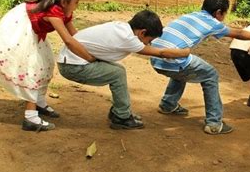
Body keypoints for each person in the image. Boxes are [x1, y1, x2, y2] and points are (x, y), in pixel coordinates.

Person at [0, 0, 95, 132]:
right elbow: (68, 41)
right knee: (32, 69)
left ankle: (39, 101)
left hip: (35, 31)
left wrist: (94, 49)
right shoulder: (53, 12)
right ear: (63, 2)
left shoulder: (65, 13)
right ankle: (30, 118)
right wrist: (90, 58)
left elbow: (75, 36)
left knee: (46, 63)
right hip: (21, 27)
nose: (77, 6)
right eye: (76, 2)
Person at [151, 0, 250, 135]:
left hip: (155, 56)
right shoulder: (212, 22)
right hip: (172, 59)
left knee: (185, 67)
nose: (223, 18)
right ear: (218, 12)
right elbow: (239, 34)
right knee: (210, 74)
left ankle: (168, 104)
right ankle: (214, 123)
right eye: (224, 14)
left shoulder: (191, 15)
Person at [56, 10, 191, 130]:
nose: (148, 44)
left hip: (71, 60)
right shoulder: (128, 38)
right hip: (72, 66)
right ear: (142, 32)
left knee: (117, 69)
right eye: (149, 40)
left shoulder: (121, 27)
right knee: (117, 74)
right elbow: (161, 53)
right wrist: (184, 52)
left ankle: (119, 111)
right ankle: (122, 117)